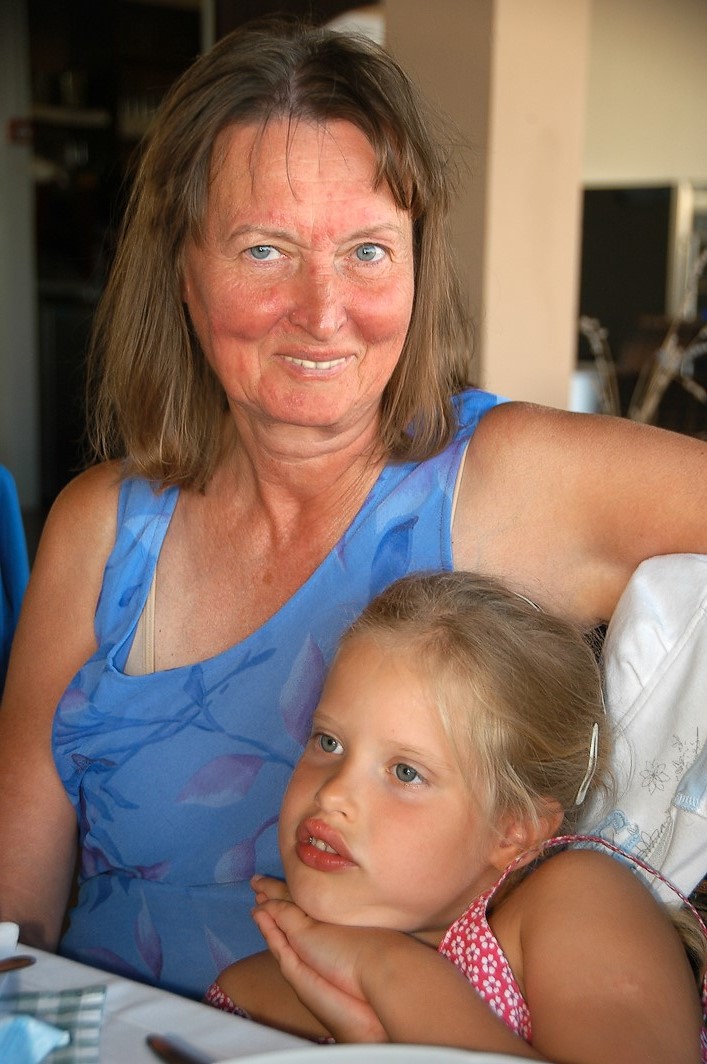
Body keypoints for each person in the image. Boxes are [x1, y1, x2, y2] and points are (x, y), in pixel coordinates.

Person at [0, 17, 706, 1000]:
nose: (322, 309)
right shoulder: (101, 526)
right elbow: (14, 922)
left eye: (368, 250)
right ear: (182, 270)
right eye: (264, 249)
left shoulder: (507, 478)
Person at [206, 572, 707, 1063]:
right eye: (329, 742)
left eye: (406, 772)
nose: (332, 792)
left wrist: (390, 972)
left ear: (513, 831)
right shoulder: (250, 998)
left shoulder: (578, 903)